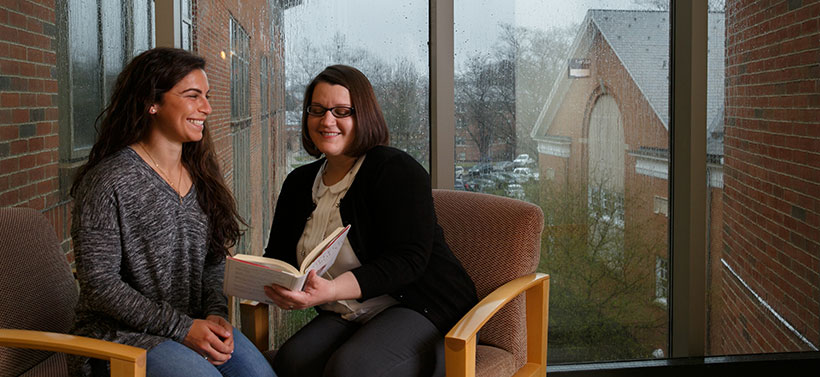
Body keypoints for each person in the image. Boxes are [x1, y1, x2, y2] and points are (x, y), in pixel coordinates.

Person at [68, 47, 276, 377]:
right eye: (193, 96)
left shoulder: (202, 174)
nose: (206, 108)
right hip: (121, 341)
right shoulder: (108, 181)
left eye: (207, 96)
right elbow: (100, 285)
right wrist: (182, 327)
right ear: (152, 102)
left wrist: (214, 312)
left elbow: (213, 260)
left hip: (192, 328)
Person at [263, 65, 478, 377]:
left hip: (421, 305)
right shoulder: (299, 182)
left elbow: (409, 260)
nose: (327, 121)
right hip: (348, 310)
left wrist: (331, 290)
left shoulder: (396, 170)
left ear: (363, 115)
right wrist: (273, 283)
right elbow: (281, 256)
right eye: (317, 109)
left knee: (350, 369)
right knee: (291, 362)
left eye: (341, 111)